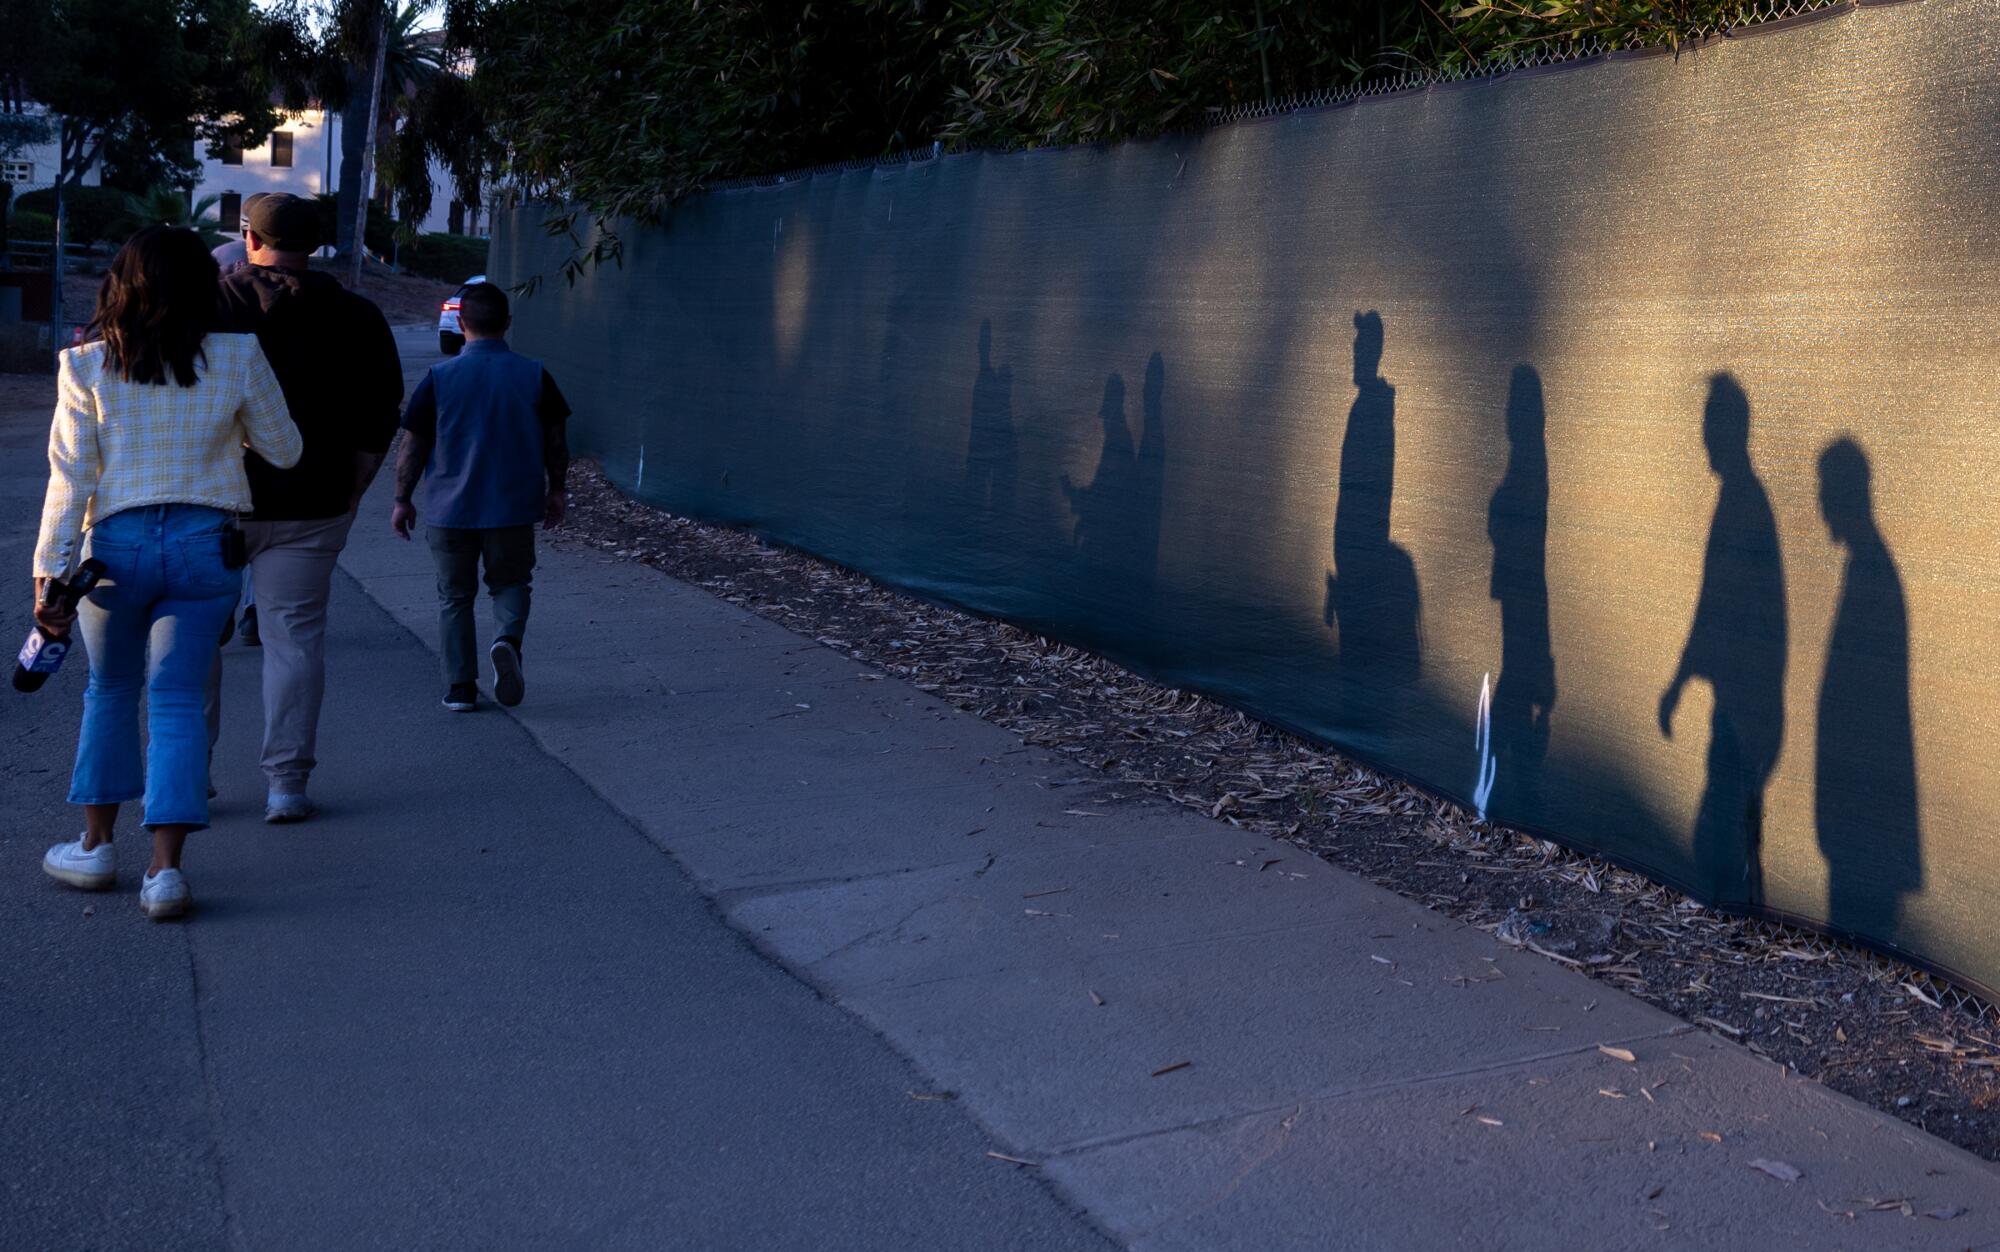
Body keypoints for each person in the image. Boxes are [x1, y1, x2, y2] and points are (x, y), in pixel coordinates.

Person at [35, 225, 301, 919]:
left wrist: (50, 575)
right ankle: (165, 874)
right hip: (203, 543)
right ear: (204, 287)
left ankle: (94, 850)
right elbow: (285, 451)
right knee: (179, 700)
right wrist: (226, 429)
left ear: (119, 288)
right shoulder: (240, 355)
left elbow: (70, 481)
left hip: (114, 550)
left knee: (110, 689)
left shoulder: (86, 365)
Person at [208, 192, 403, 823]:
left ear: (248, 238)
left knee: (194, 641)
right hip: (313, 501)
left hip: (212, 500)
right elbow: (380, 416)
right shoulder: (359, 315)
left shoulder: (209, 304)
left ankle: (189, 773)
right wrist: (355, 488)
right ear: (315, 246)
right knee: (293, 641)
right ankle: (286, 784)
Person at [390, 282, 569, 711]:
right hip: (512, 506)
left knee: (454, 597)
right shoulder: (534, 374)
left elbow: (412, 446)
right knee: (510, 583)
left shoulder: (439, 378)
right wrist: (557, 489)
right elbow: (556, 441)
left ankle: (460, 688)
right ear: (507, 323)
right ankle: (506, 639)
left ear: (460, 323)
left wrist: (402, 499)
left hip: (451, 510)